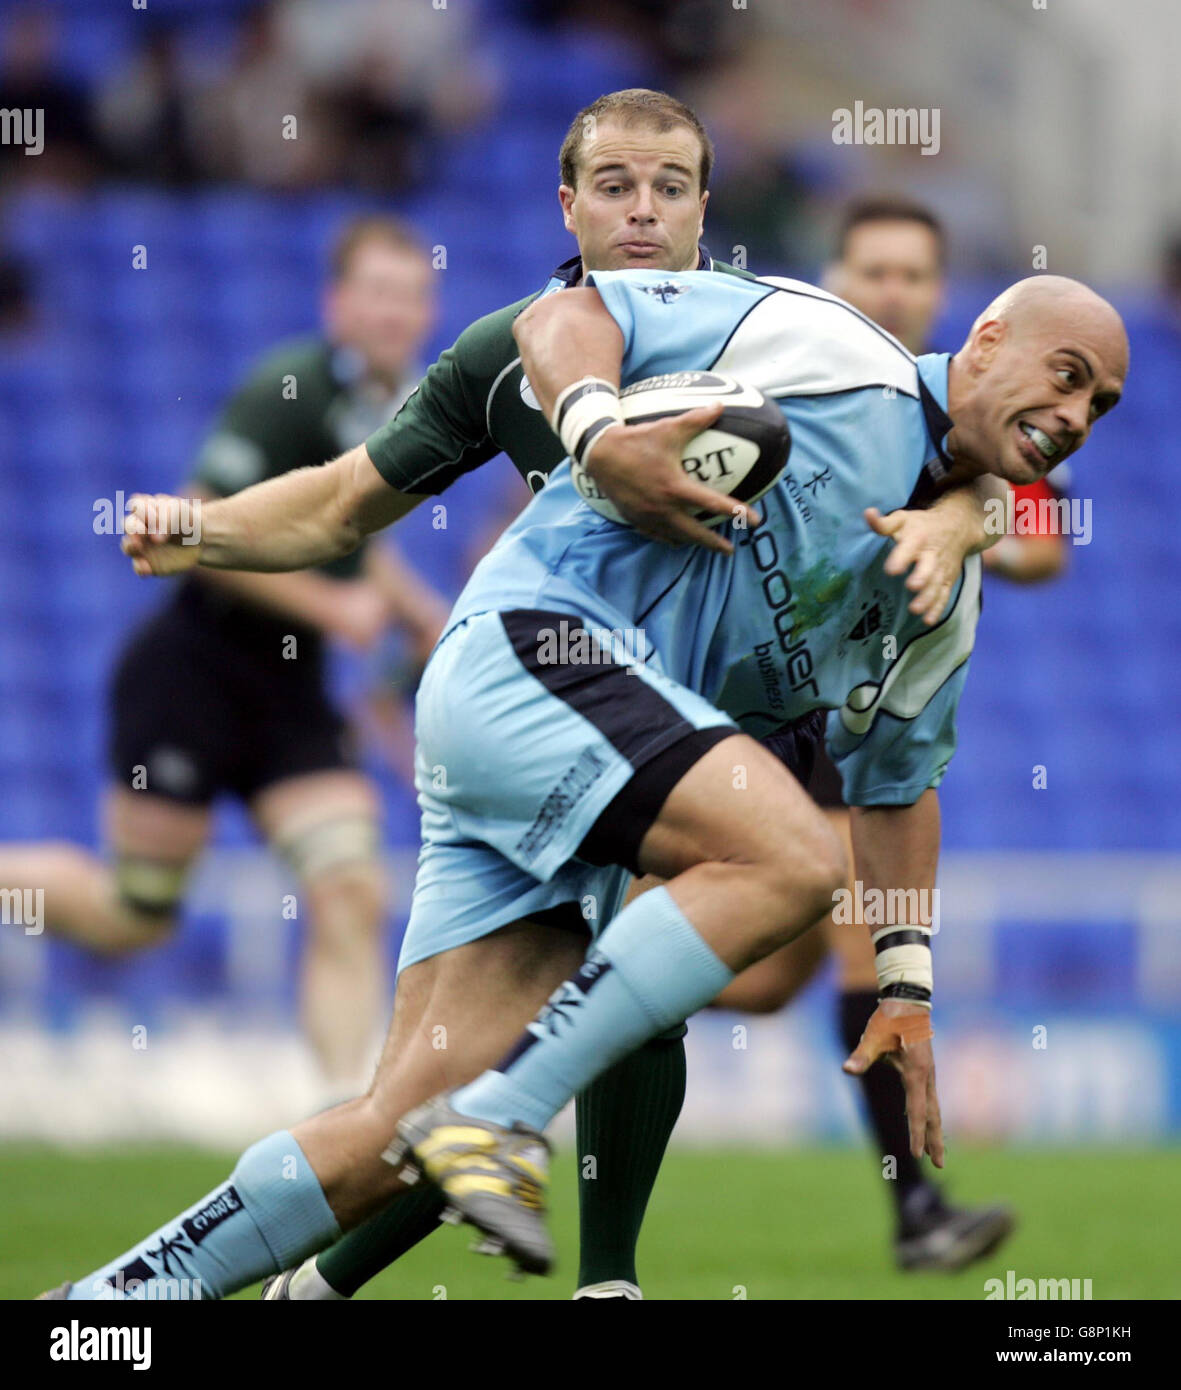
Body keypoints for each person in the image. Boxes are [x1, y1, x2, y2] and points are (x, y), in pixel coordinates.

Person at [46, 265, 1125, 1299]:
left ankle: (103, 1304)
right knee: (790, 854)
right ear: (985, 341)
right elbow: (563, 318)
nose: (1077, 413)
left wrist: (904, 985)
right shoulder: (824, 346)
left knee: (393, 1134)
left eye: (1101, 405)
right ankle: (514, 1136)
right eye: (1065, 373)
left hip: (582, 763)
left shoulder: (945, 595)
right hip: (538, 653)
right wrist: (600, 430)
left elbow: (892, 787)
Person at [0, 216, 448, 1089]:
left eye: (413, 294)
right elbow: (195, 522)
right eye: (379, 293)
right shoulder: (288, 385)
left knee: (350, 890)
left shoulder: (404, 406)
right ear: (337, 304)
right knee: (138, 914)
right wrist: (330, 603)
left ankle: (336, 1130)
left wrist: (419, 610)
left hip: (292, 692)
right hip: (191, 674)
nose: (397, 312)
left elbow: (350, 532)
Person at [715, 195, 1069, 1268]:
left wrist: (961, 523)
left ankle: (587, 969)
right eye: (873, 270)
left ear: (943, 296)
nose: (893, 290)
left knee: (774, 977)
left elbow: (1042, 541)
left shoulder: (982, 426)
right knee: (833, 942)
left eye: (914, 274)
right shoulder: (800, 387)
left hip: (864, 708)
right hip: (765, 694)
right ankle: (915, 1210)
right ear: (833, 276)